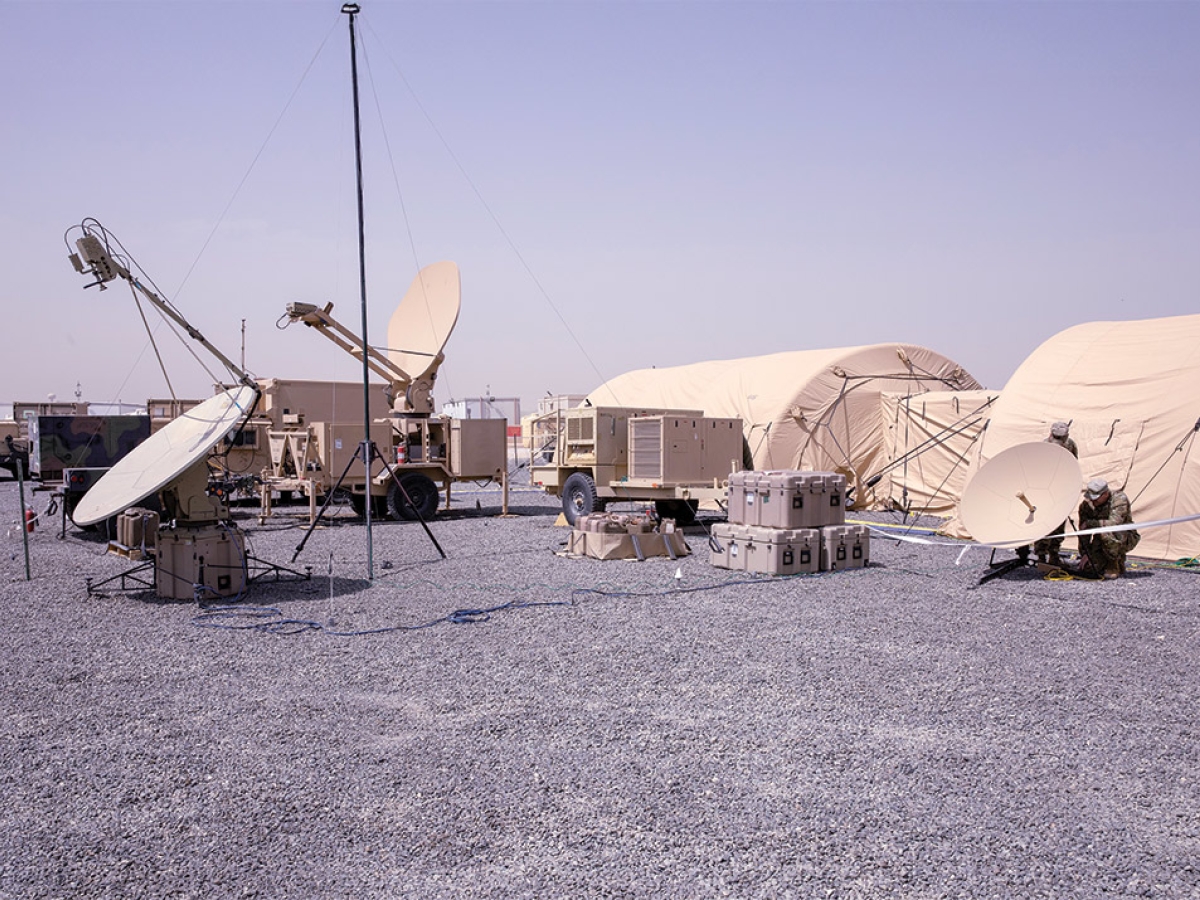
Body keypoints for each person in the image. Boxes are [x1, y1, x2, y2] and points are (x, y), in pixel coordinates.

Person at [1034, 422, 1079, 566]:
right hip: (1044, 490)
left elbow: (1073, 463)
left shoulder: (1070, 445)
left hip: (1061, 489)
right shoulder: (1042, 448)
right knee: (1043, 522)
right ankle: (1041, 556)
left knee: (1059, 523)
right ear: (1050, 434)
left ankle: (1054, 553)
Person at [1077, 478, 1139, 580]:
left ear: (1105, 494)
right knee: (1089, 568)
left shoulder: (1119, 499)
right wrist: (1086, 553)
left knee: (1107, 530)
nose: (1092, 501)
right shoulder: (1086, 505)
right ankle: (1113, 562)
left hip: (1122, 537)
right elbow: (1084, 533)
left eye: (1096, 498)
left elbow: (1114, 524)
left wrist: (1090, 523)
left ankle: (1113, 563)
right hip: (1099, 541)